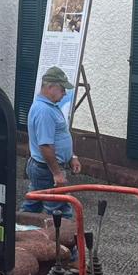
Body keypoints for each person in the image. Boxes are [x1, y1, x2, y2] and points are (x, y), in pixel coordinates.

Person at [20, 67, 81, 217]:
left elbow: (58, 137)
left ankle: (18, 231)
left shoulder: (47, 107)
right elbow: (45, 145)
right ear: (50, 87)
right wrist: (57, 173)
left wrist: (71, 156)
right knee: (61, 212)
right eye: (62, 89)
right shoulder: (44, 111)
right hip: (46, 169)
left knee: (32, 206)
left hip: (42, 168)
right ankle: (60, 240)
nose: (64, 93)